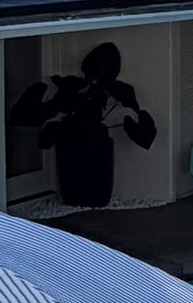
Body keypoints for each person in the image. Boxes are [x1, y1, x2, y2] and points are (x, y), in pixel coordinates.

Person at [41, 42, 156, 211]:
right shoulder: (78, 88)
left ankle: (86, 197)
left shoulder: (109, 90)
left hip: (90, 133)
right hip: (80, 132)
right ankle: (83, 196)